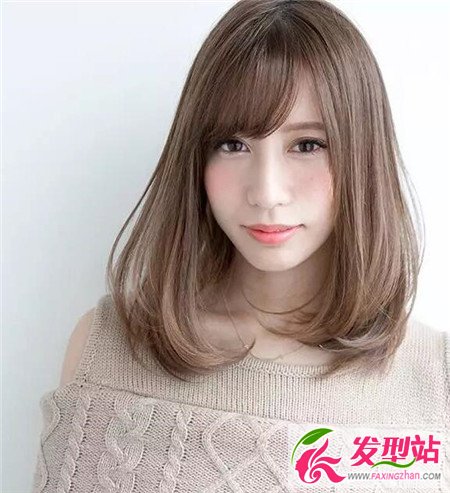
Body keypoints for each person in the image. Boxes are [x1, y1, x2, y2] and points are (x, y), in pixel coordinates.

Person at [31, 1, 449, 491]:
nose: (266, 193)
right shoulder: (105, 348)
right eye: (233, 144)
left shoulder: (434, 383)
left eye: (307, 145)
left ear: (362, 156)